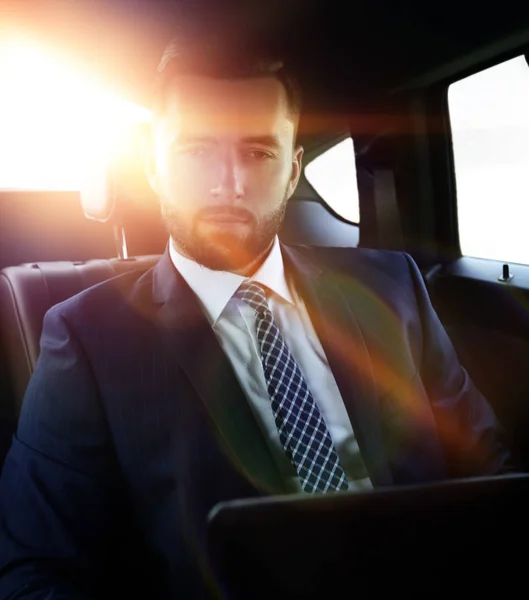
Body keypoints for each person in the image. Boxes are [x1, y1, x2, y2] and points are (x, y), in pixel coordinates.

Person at [0, 33, 512, 599]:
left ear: (292, 171)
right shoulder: (85, 339)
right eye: (196, 152)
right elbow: (34, 572)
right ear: (153, 167)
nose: (229, 183)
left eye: (257, 152)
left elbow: (491, 472)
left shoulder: (394, 287)